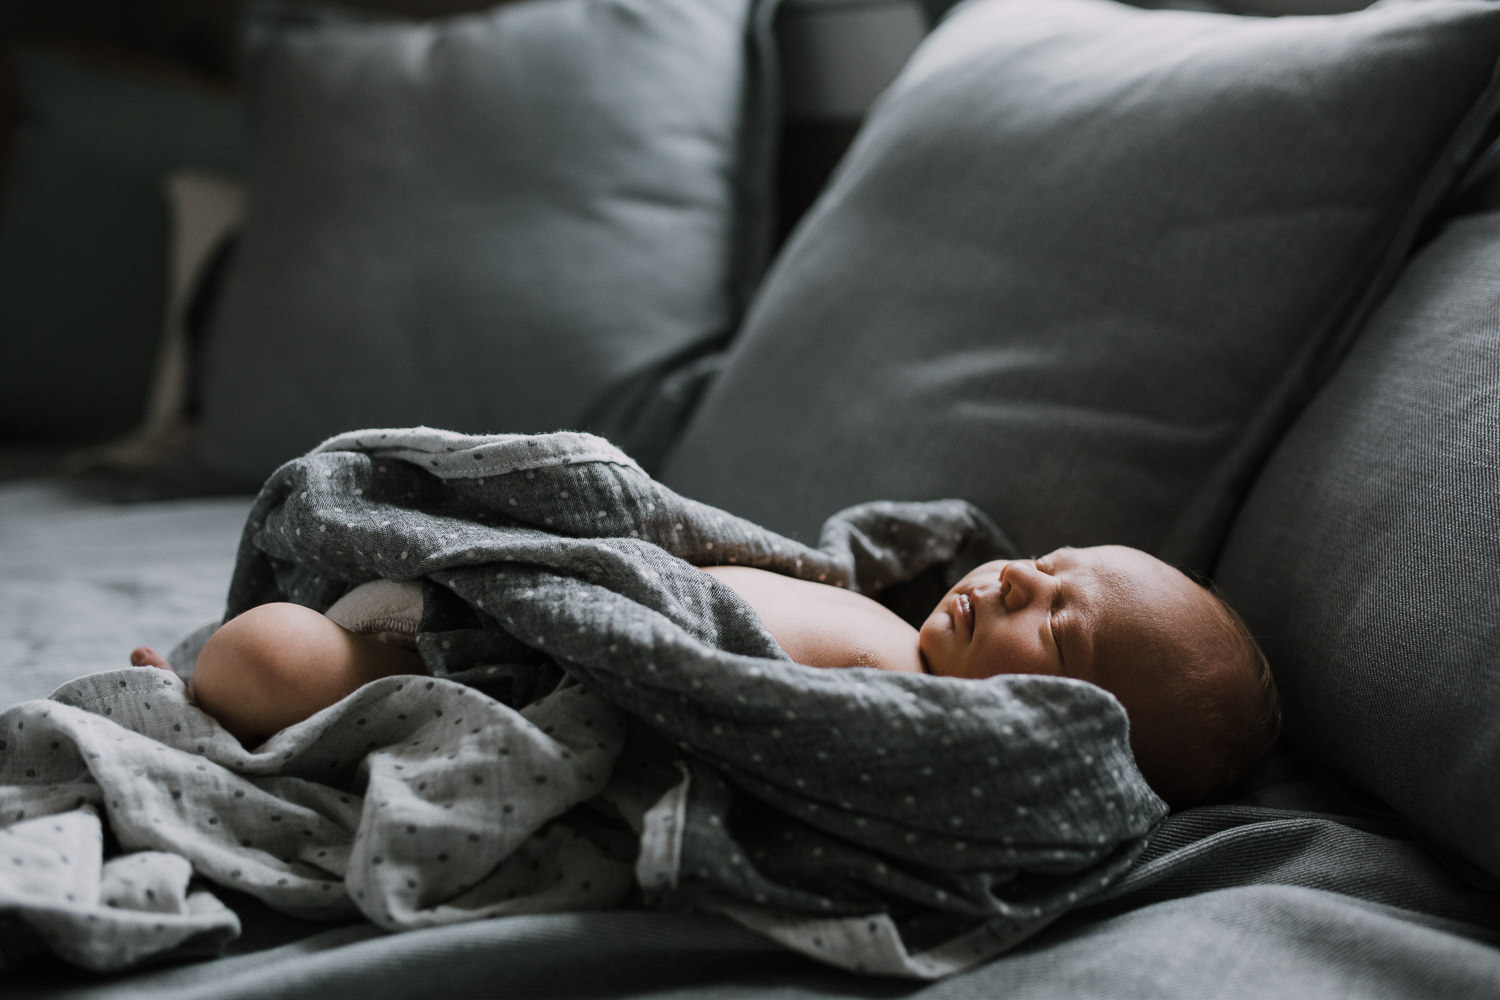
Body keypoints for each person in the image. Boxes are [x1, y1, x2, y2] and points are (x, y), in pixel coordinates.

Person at [132, 544, 1280, 806]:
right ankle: (210, 689)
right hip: (521, 610)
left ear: (1051, 728)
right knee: (285, 643)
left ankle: (206, 701)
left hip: (499, 675)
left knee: (274, 656)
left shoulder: (917, 711)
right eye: (1047, 561)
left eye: (1061, 626)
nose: (1019, 579)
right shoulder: (894, 613)